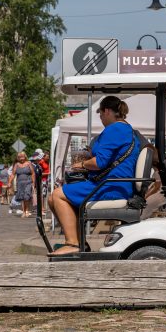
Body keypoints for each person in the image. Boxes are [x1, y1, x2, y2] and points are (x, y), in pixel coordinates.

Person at [48, 96, 141, 256]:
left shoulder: (114, 129)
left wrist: (82, 164)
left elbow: (100, 162)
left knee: (57, 195)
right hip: (116, 184)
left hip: (110, 187)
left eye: (101, 115)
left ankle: (73, 243)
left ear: (106, 111)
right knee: (52, 199)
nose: (101, 118)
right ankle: (79, 242)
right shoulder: (128, 130)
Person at [9, 152, 35, 218]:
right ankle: (24, 211)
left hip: (28, 182)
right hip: (20, 183)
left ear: (25, 157)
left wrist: (33, 183)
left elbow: (33, 173)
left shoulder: (29, 163)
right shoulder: (16, 164)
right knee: (22, 197)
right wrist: (9, 182)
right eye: (20, 157)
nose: (21, 159)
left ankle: (27, 210)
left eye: (22, 157)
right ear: (18, 158)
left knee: (27, 196)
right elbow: (12, 174)